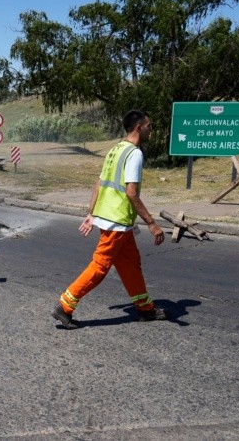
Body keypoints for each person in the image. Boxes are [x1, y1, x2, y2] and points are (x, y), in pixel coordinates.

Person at [51, 109, 168, 329]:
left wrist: (91, 212)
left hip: (112, 218)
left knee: (131, 264)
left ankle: (145, 308)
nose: (151, 130)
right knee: (100, 266)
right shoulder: (134, 153)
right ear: (138, 128)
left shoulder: (115, 150)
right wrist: (152, 223)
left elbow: (99, 183)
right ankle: (64, 306)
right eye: (149, 126)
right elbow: (131, 192)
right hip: (117, 220)